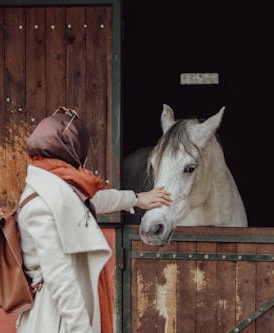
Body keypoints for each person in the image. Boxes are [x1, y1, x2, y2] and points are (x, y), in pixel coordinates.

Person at [16, 107, 171, 333]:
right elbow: (60, 277)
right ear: (71, 150)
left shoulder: (56, 185)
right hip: (55, 319)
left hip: (62, 316)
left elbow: (93, 200)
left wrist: (137, 199)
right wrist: (82, 329)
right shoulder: (43, 202)